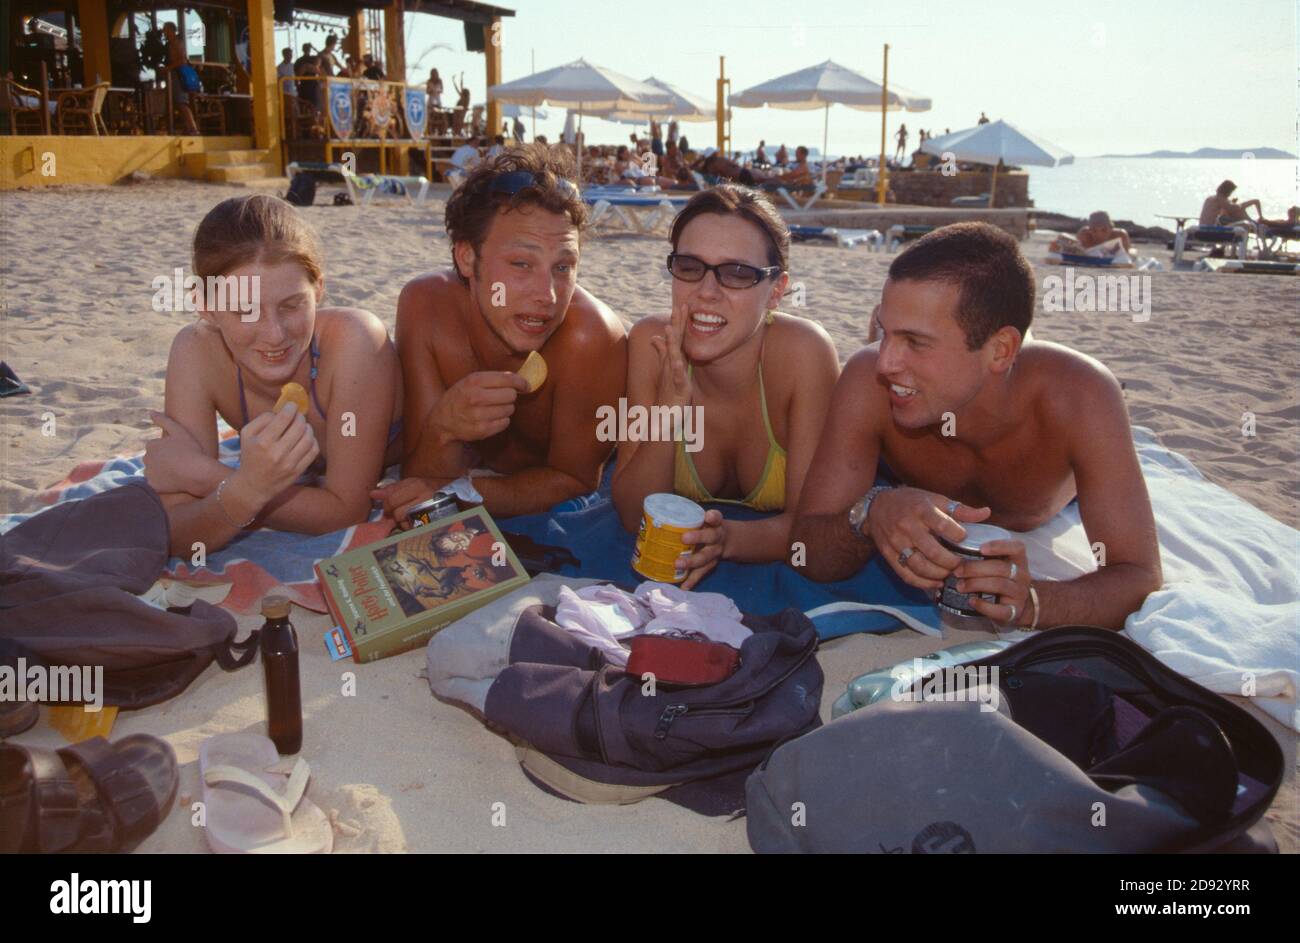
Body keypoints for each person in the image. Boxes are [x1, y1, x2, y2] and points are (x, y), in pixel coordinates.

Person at [790, 223, 1161, 631]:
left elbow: (1138, 575)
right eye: (885, 333)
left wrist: (1033, 602)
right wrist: (869, 511)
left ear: (1001, 350)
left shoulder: (1080, 396)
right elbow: (806, 551)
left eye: (915, 342)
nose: (885, 362)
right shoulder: (868, 381)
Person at [376, 144, 628, 521]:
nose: (547, 295)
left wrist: (461, 493)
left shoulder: (590, 339)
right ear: (466, 257)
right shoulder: (426, 307)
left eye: (563, 267)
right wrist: (443, 427)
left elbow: (575, 478)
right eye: (521, 264)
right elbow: (420, 473)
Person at [144, 195, 402, 556]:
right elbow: (180, 534)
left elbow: (346, 511)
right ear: (205, 306)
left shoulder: (354, 340)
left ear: (319, 289)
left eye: (292, 305)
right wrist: (240, 486)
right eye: (245, 310)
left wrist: (217, 479)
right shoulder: (195, 352)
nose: (275, 334)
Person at [612, 185, 839, 589]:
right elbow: (634, 517)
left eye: (737, 274)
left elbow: (812, 526)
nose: (707, 292)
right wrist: (669, 409)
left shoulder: (804, 354)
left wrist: (729, 539)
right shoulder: (652, 344)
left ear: (776, 291)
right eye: (689, 266)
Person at [162, 22, 199, 136]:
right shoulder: (170, 44)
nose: (164, 32)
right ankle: (187, 127)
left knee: (182, 102)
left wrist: (168, 68)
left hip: (179, 76)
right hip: (175, 76)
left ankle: (192, 127)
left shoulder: (176, 43)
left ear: (172, 31)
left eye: (166, 30)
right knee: (177, 103)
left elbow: (182, 60)